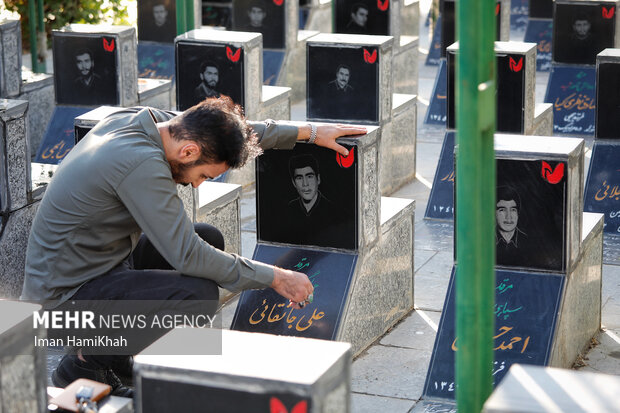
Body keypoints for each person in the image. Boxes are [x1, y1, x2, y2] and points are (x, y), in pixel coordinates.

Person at [21, 97, 366, 396]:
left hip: (97, 265)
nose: (197, 185)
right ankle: (83, 365)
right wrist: (275, 277)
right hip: (61, 305)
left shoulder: (154, 124)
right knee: (196, 295)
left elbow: (229, 130)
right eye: (204, 175)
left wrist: (309, 132)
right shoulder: (140, 163)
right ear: (189, 152)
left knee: (209, 238)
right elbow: (186, 254)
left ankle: (118, 355)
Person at [283, 154, 350, 247]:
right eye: (299, 178)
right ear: (294, 183)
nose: (305, 184)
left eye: (309, 176)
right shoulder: (287, 211)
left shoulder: (337, 214)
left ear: (318, 179)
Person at [496, 186, 528, 266]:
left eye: (513, 210)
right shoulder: (483, 242)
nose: (508, 217)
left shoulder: (530, 242)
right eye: (502, 210)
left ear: (518, 213)